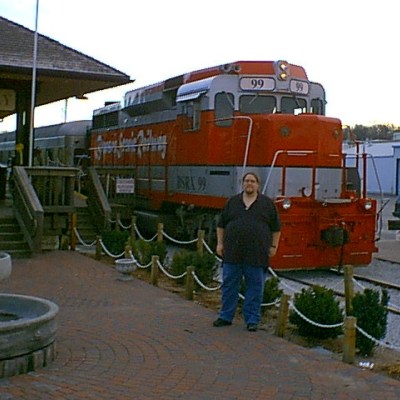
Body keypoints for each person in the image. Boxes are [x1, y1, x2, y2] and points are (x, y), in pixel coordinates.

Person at [213, 172, 281, 332]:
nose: (249, 183)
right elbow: (221, 225)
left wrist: (274, 246)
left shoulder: (267, 204)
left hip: (257, 254)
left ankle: (252, 320)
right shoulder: (232, 202)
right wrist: (220, 244)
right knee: (229, 285)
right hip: (232, 252)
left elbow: (276, 228)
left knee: (255, 288)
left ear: (258, 185)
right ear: (242, 183)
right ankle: (225, 316)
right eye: (247, 181)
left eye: (252, 181)